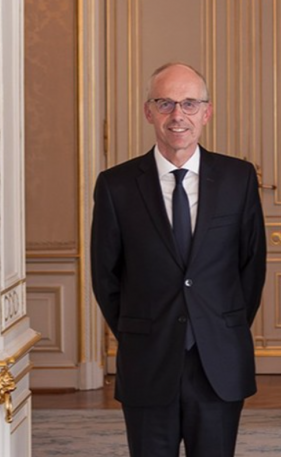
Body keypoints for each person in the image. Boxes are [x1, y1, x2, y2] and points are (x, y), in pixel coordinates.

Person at [91, 62, 266, 457]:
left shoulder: (238, 179)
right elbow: (106, 276)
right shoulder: (116, 185)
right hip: (148, 359)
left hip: (218, 361)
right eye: (165, 103)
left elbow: (250, 267)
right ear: (148, 111)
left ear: (207, 112)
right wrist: (139, 332)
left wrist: (219, 325)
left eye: (189, 104)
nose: (177, 116)